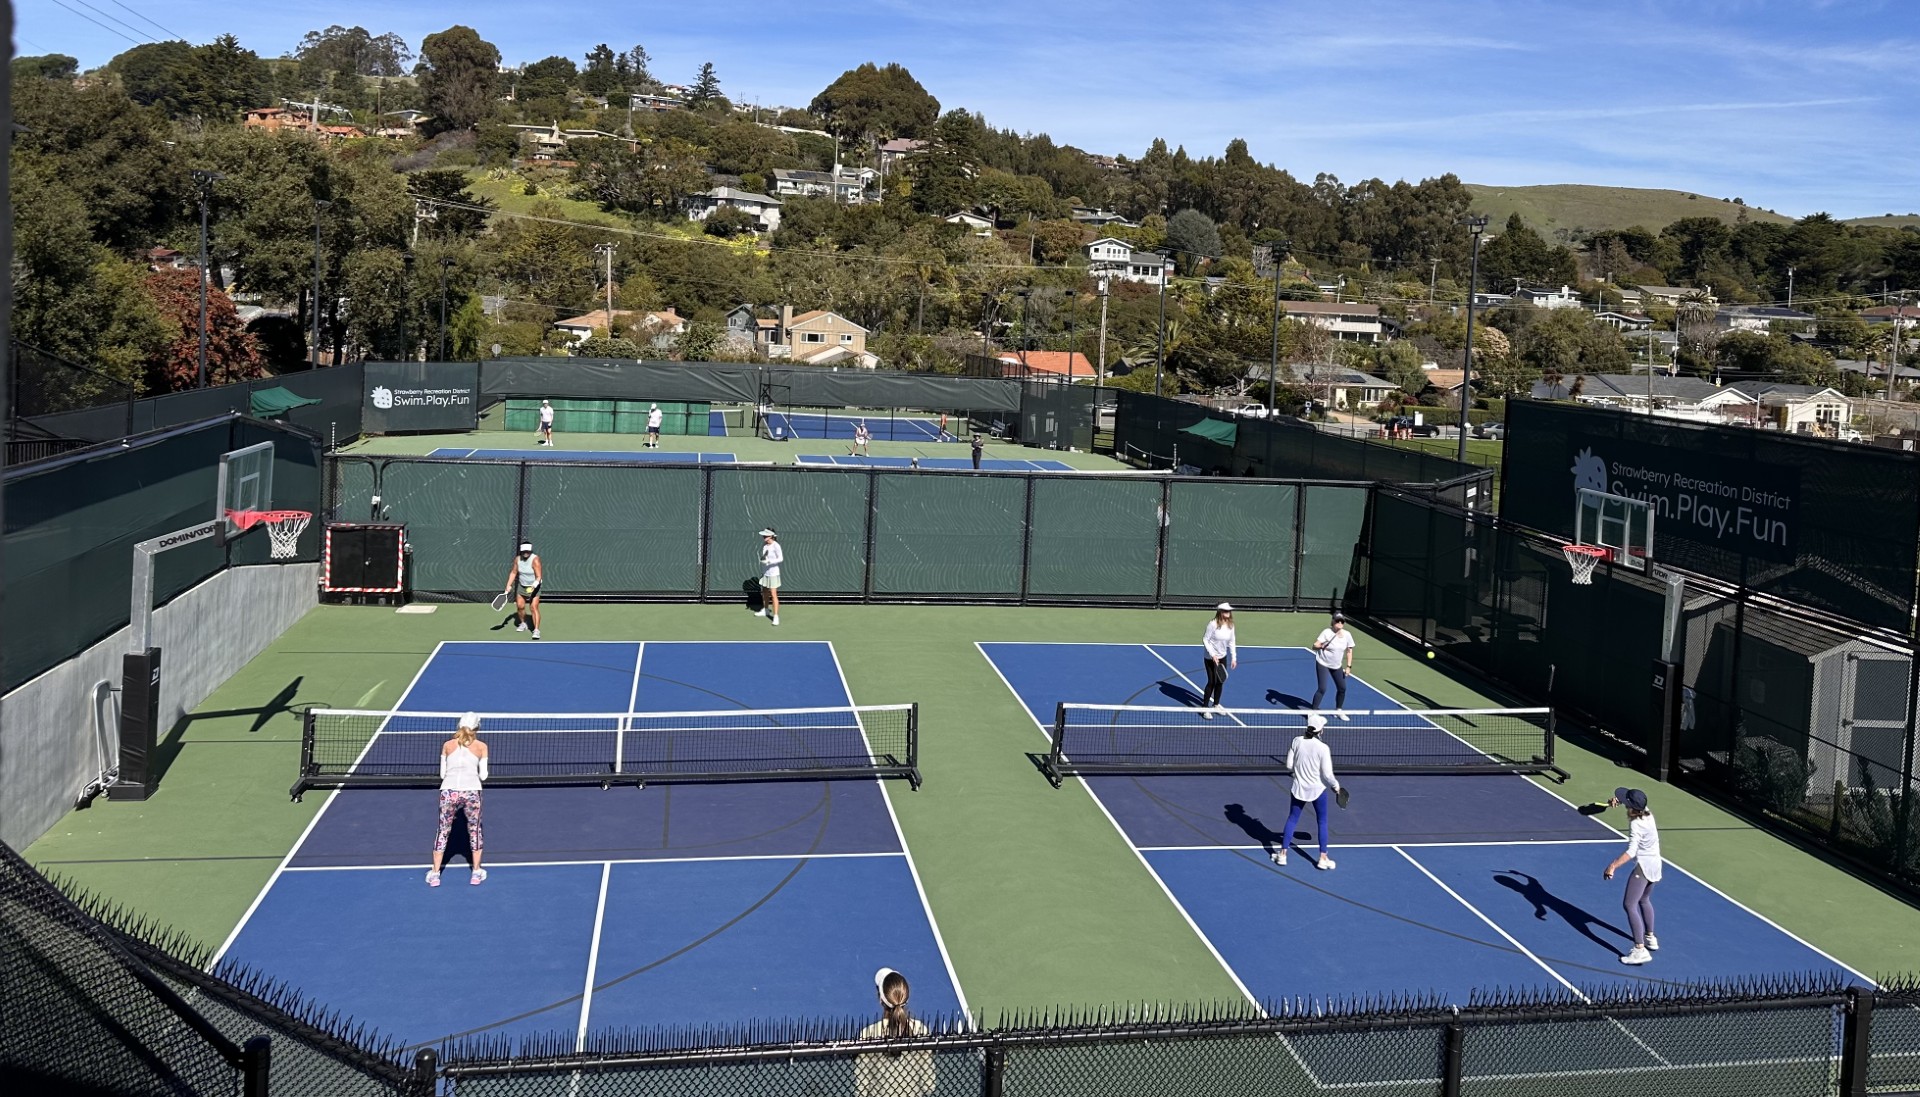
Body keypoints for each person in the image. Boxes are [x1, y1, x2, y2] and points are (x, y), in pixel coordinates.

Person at [427, 713, 489, 886]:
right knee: (475, 830)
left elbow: (442, 774)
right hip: (472, 792)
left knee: (443, 831)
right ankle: (476, 873)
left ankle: (435, 874)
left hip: (449, 792)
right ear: (477, 727)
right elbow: (483, 776)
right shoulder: (481, 746)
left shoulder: (447, 745)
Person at [1273, 713, 1340, 870]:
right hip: (1318, 790)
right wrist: (1336, 786)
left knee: (1292, 819)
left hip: (1298, 788)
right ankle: (1323, 858)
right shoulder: (1323, 748)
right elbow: (1328, 774)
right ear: (1320, 730)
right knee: (1322, 821)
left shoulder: (1297, 741)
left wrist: (1299, 772)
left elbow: (1289, 766)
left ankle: (1282, 855)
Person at [854, 967, 935, 1097]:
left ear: (881, 1000)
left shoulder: (868, 1034)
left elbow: (862, 1089)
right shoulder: (921, 1030)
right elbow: (929, 1085)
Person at [1604, 787, 1663, 965]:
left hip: (1643, 868)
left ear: (1632, 807)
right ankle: (1650, 937)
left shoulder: (1636, 825)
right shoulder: (1648, 814)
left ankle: (1639, 949)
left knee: (1629, 905)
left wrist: (1612, 865)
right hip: (1656, 865)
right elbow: (1634, 805)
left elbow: (1631, 851)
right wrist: (1618, 800)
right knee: (1644, 900)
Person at [1309, 611, 1355, 720]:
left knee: (1342, 688)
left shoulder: (1347, 635)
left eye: (1342, 621)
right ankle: (1313, 712)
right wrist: (1318, 646)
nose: (1339, 623)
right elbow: (1315, 645)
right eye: (1337, 621)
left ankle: (1338, 710)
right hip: (1323, 663)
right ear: (1333, 622)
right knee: (1322, 688)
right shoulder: (1326, 632)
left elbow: (1349, 651)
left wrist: (1348, 666)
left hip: (1336, 666)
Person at [1199, 603, 1237, 717]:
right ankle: (1204, 708)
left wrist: (1234, 657)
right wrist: (1213, 655)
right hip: (1210, 658)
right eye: (1225, 611)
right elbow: (1205, 639)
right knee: (1212, 681)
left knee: (1220, 681)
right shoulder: (1212, 624)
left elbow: (1232, 642)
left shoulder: (1231, 625)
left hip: (1222, 656)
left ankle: (1216, 705)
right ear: (1220, 612)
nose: (1228, 613)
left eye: (1229, 611)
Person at [505, 542, 543, 639]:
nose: (526, 553)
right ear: (521, 551)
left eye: (528, 551)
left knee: (533, 607)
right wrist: (508, 585)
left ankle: (536, 630)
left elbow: (538, 577)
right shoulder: (517, 559)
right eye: (524, 551)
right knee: (520, 606)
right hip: (522, 586)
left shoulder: (535, 560)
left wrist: (533, 586)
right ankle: (523, 624)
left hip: (535, 586)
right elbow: (514, 572)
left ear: (530, 551)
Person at [754, 528, 783, 626]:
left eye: (765, 536)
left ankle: (775, 617)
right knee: (765, 592)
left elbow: (780, 558)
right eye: (763, 536)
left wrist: (770, 562)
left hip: (774, 574)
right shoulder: (765, 546)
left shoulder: (776, 546)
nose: (763, 537)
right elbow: (765, 557)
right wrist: (763, 560)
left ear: (771, 536)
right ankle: (766, 610)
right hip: (765, 572)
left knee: (773, 594)